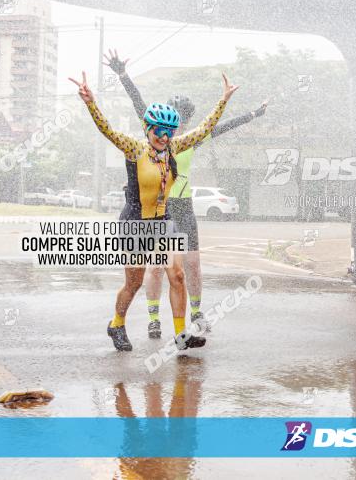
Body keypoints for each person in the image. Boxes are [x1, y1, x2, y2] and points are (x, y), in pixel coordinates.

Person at [69, 69, 238, 351]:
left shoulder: (174, 148)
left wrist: (223, 100)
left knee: (178, 274)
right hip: (135, 222)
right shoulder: (134, 149)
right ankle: (116, 323)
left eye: (169, 131)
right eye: (159, 131)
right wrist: (90, 102)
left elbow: (204, 129)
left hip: (164, 221)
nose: (164, 136)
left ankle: (182, 335)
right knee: (134, 282)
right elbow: (107, 129)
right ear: (147, 128)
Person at [103, 49, 268, 338]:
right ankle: (154, 318)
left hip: (183, 208)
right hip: (158, 208)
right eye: (182, 117)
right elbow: (138, 102)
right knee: (155, 268)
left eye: (187, 119)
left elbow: (221, 125)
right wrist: (123, 75)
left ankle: (195, 314)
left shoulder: (188, 141)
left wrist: (253, 114)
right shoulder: (157, 138)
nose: (183, 124)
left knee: (190, 265)